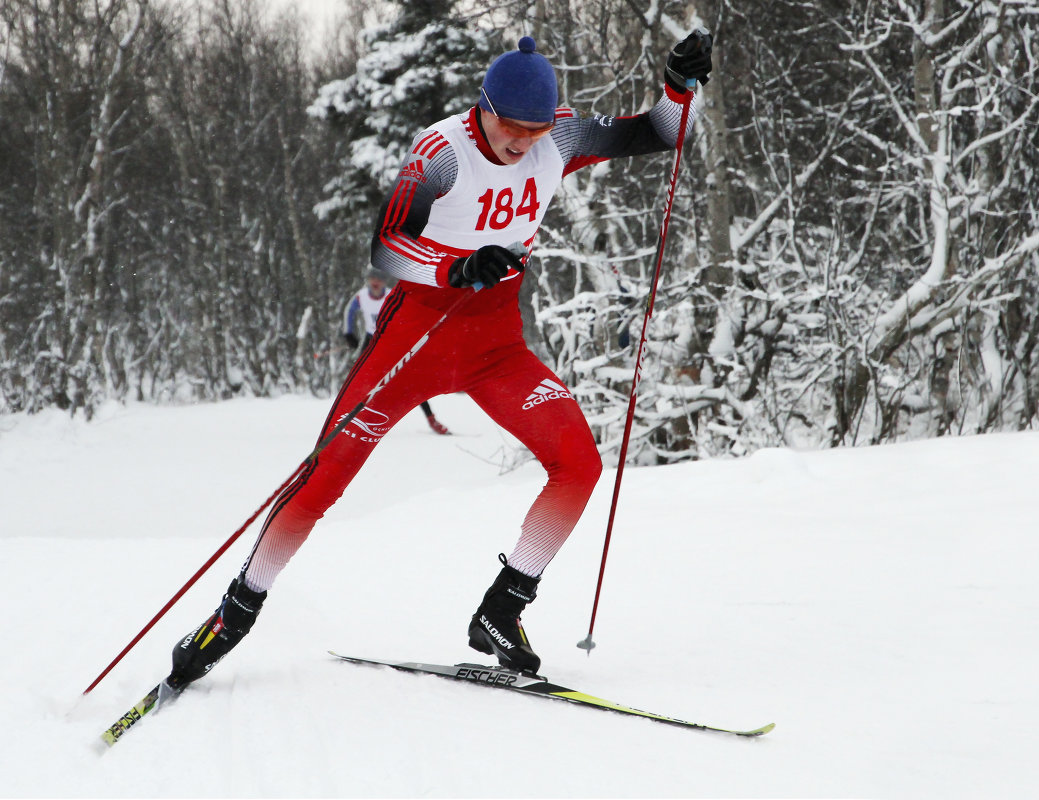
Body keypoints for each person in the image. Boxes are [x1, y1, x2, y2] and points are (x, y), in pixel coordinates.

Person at [165, 30, 714, 689]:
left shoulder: (559, 138)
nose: (523, 142)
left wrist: (679, 89)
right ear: (484, 108)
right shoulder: (440, 152)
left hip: (497, 349)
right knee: (322, 481)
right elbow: (388, 248)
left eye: (535, 130)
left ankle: (503, 609)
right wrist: (458, 266)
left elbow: (657, 132)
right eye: (512, 127)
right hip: (414, 344)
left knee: (579, 463)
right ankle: (235, 613)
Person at [344, 268, 450, 435]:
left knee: (410, 379)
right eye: (372, 279)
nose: (375, 283)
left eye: (378, 279)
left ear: (384, 282)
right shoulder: (361, 296)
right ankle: (351, 418)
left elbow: (409, 314)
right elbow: (349, 313)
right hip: (371, 339)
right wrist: (349, 334)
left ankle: (431, 419)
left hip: (392, 339)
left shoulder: (392, 294)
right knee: (360, 379)